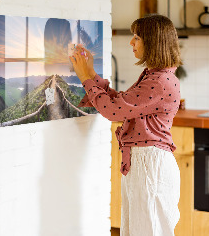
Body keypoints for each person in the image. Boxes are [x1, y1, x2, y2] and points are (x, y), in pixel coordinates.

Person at [70, 14, 182, 236]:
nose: (131, 42)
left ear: (153, 42)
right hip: (145, 163)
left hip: (150, 165)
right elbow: (121, 103)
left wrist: (85, 78)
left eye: (137, 37)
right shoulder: (155, 76)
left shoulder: (159, 81)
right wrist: (91, 73)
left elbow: (113, 111)